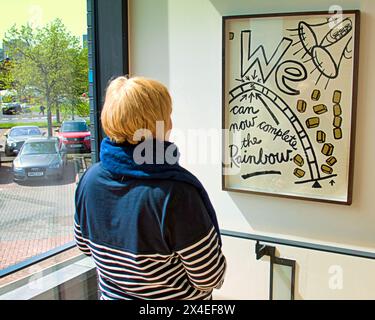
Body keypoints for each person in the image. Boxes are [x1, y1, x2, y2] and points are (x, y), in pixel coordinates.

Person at [74, 76, 226, 300]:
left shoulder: (89, 179)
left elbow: (84, 246)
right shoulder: (175, 194)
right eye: (167, 115)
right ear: (158, 123)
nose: (171, 123)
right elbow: (210, 277)